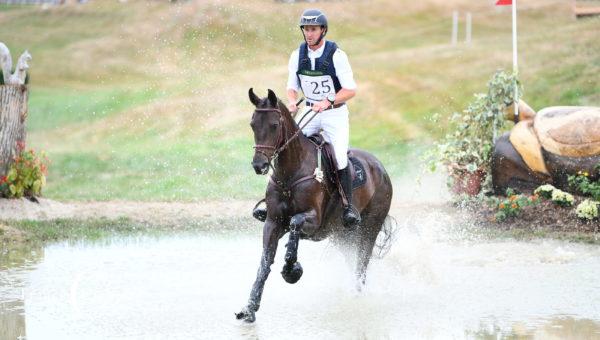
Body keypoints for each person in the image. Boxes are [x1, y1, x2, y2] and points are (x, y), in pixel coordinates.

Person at [253, 8, 361, 228]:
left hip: (334, 114)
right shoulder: (297, 55)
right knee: (283, 146)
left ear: (323, 30)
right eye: (306, 30)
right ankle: (268, 202)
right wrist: (292, 101)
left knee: (339, 156)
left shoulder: (336, 56)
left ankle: (348, 206)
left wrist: (328, 101)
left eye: (313, 29)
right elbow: (292, 86)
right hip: (310, 112)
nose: (309, 34)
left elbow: (350, 90)